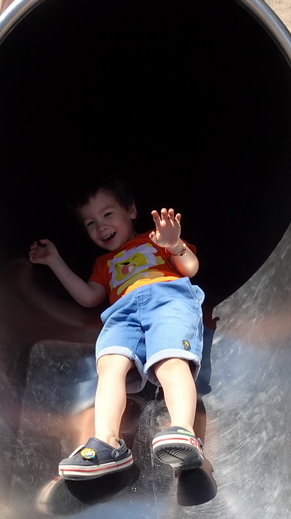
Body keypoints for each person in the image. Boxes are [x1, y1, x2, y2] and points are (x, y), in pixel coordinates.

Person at [29, 177, 205, 480]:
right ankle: (107, 444)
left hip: (167, 299)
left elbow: (190, 268)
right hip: (122, 314)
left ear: (132, 211)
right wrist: (54, 260)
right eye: (90, 223)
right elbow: (88, 297)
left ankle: (184, 431)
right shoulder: (103, 263)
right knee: (109, 366)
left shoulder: (155, 240)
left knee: (170, 361)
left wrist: (174, 243)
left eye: (108, 214)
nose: (100, 226)